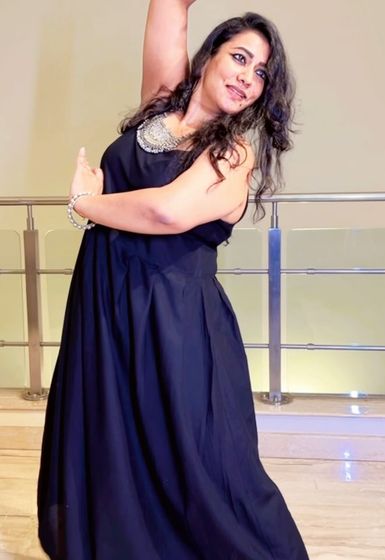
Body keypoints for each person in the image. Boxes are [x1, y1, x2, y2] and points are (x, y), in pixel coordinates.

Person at [37, 1, 309, 558]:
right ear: (208, 57)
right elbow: (168, 9)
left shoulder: (233, 154)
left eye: (261, 72)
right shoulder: (161, 103)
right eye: (239, 57)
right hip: (106, 302)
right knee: (113, 437)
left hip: (174, 319)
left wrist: (85, 203)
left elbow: (165, 212)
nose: (248, 77)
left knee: (195, 461)